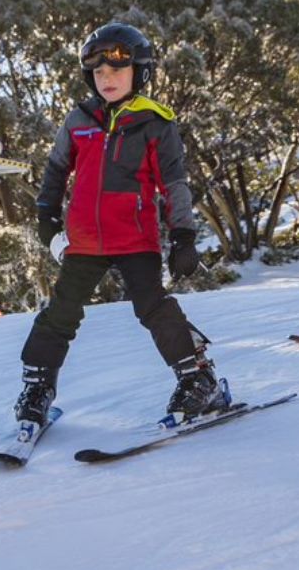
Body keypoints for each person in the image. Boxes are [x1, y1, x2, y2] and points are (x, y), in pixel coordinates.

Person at [18, 23, 225, 429]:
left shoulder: (155, 123)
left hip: (135, 239)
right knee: (60, 312)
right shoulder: (79, 119)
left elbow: (174, 183)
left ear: (141, 71)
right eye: (97, 72)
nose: (106, 78)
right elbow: (56, 171)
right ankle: (38, 387)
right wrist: (47, 217)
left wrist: (183, 236)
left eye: (115, 69)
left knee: (152, 306)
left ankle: (198, 378)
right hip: (85, 240)